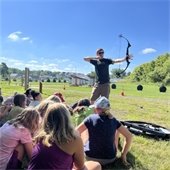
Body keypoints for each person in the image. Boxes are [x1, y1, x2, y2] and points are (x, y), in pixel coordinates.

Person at [28, 103, 101, 170]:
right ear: (67, 118)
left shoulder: (39, 136)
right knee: (96, 165)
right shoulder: (73, 138)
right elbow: (80, 166)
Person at [76, 96, 132, 166]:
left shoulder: (90, 118)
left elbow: (75, 132)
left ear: (97, 108)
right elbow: (129, 136)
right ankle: (118, 152)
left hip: (90, 157)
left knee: (85, 130)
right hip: (110, 158)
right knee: (117, 131)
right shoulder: (114, 121)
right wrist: (123, 155)